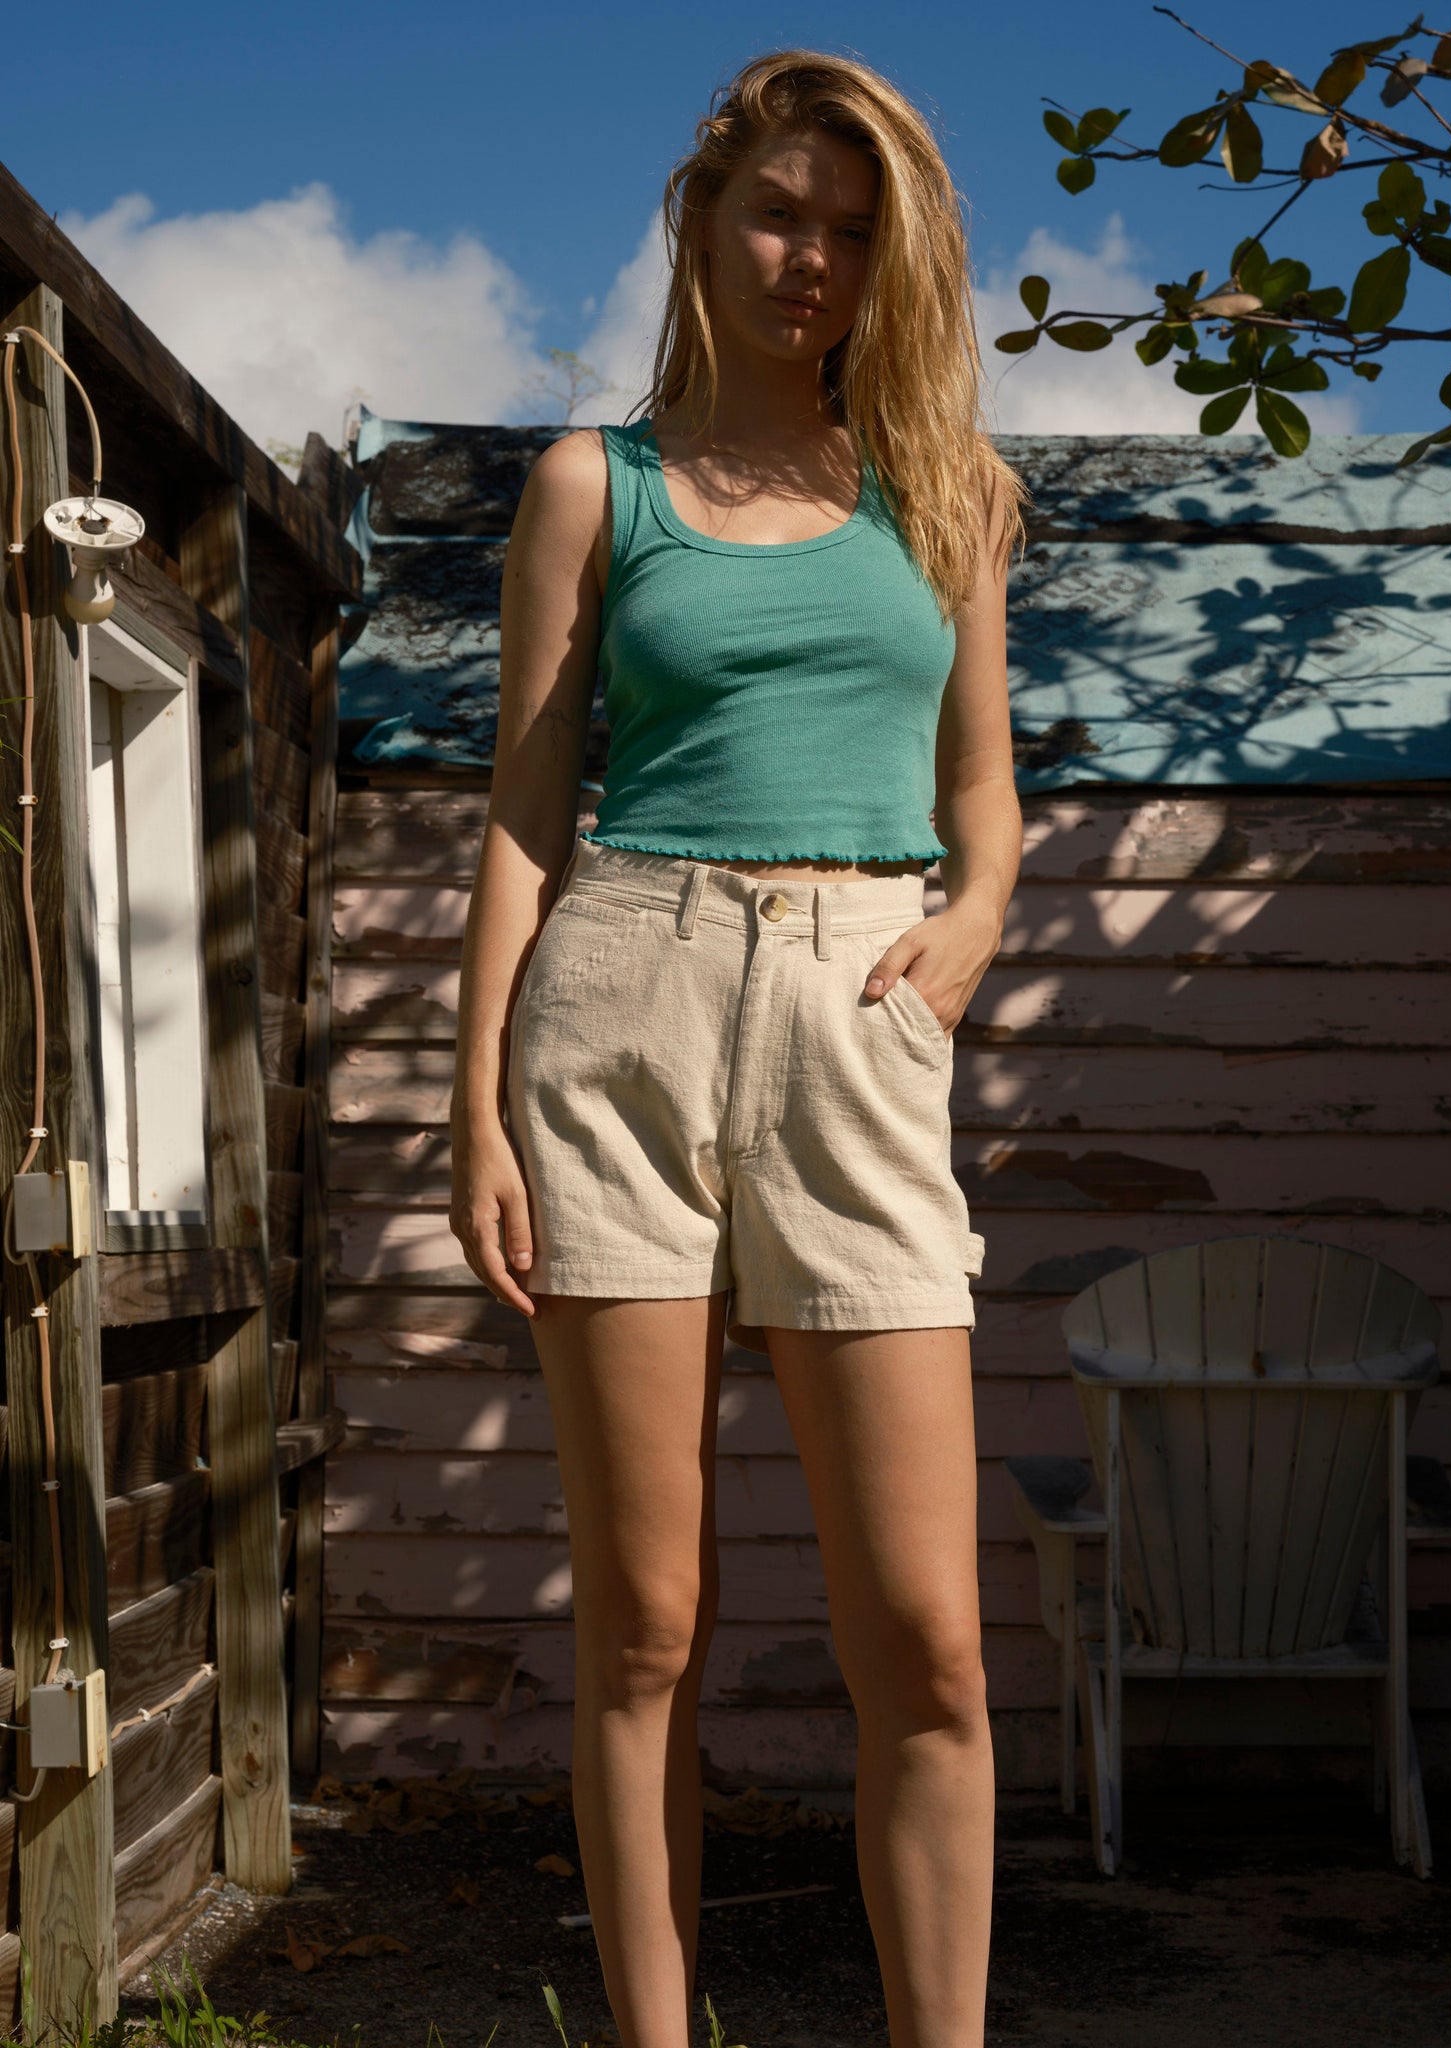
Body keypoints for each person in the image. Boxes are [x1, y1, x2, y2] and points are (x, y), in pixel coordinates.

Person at [449, 47, 1027, 2048]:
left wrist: (972, 922)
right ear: (704, 221)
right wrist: (475, 1111)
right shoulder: (592, 488)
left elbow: (984, 788)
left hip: (860, 1011)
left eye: (854, 230)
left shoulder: (948, 488)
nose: (813, 259)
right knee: (647, 1627)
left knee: (931, 1646)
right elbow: (529, 813)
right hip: (626, 1000)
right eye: (779, 213)